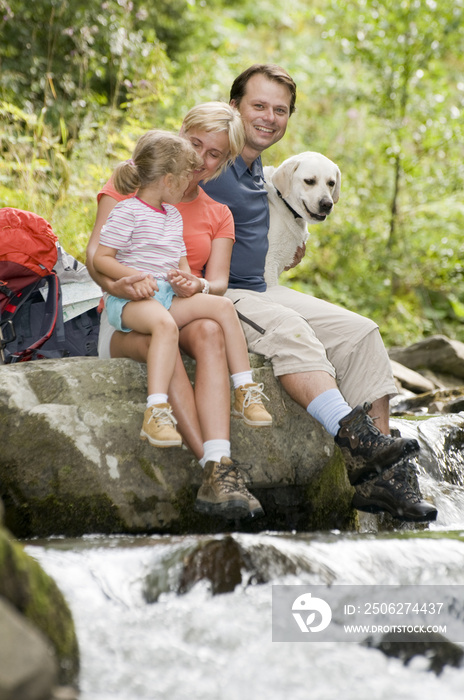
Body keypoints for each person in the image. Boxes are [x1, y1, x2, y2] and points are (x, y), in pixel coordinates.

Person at [202, 64, 437, 523]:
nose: (270, 117)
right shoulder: (212, 159)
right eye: (258, 106)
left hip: (263, 287)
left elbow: (275, 223)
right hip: (219, 292)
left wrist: (286, 246)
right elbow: (155, 185)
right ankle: (361, 445)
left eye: (280, 110)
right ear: (233, 108)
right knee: (291, 329)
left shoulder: (261, 172)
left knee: (362, 331)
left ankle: (384, 484)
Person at [86, 103, 269, 521]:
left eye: (215, 154)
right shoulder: (132, 185)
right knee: (163, 332)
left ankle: (222, 456)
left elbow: (217, 283)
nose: (202, 161)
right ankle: (214, 467)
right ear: (180, 135)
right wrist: (119, 285)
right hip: (129, 312)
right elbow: (98, 255)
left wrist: (196, 284)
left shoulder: (216, 213)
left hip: (178, 303)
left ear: (226, 161)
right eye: (196, 145)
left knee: (208, 329)